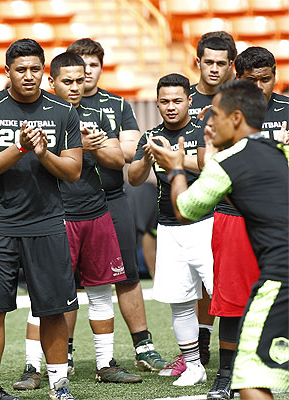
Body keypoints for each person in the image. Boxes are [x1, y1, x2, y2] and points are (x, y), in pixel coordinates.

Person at [147, 79, 288, 400]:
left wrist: (175, 168)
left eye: (216, 116)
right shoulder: (279, 150)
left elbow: (185, 209)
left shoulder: (229, 163)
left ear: (236, 118)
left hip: (280, 277)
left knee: (248, 376)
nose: (209, 124)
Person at [12, 52, 140, 392]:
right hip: (54, 216)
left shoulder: (97, 114)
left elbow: (119, 160)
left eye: (79, 80)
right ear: (51, 82)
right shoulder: (41, 115)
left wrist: (93, 148)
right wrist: (78, 146)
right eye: (66, 81)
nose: (74, 87)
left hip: (96, 211)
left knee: (101, 291)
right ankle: (31, 366)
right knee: (46, 295)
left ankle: (105, 363)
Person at [0, 39, 82, 400]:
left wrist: (42, 152)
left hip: (46, 222)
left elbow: (74, 171)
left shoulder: (63, 111)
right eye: (21, 69)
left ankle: (59, 385)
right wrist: (18, 148)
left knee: (53, 309)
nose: (28, 76)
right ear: (7, 72)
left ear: (44, 72)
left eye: (35, 69)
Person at [66, 38, 167, 373]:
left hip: (111, 200)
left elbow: (128, 154)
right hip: (64, 204)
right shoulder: (54, 105)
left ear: (100, 67)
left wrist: (93, 145)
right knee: (62, 280)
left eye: (92, 65)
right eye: (80, 65)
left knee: (127, 275)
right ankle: (62, 352)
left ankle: (144, 346)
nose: (86, 71)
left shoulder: (116, 103)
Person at [128, 73, 211, 386]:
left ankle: (238, 363)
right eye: (164, 101)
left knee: (224, 297)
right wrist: (149, 157)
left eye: (178, 100)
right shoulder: (150, 135)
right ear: (157, 102)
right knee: (181, 300)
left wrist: (176, 160)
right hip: (169, 226)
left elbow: (208, 165)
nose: (171, 106)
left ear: (190, 100)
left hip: (207, 222)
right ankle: (193, 366)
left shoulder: (203, 128)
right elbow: (134, 179)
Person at [188, 34, 236, 373]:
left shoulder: (243, 100)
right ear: (198, 62)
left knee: (227, 280)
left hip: (234, 204)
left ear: (232, 64)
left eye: (222, 62)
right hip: (189, 202)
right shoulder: (181, 98)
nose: (215, 68)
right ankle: (200, 343)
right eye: (209, 62)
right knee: (197, 285)